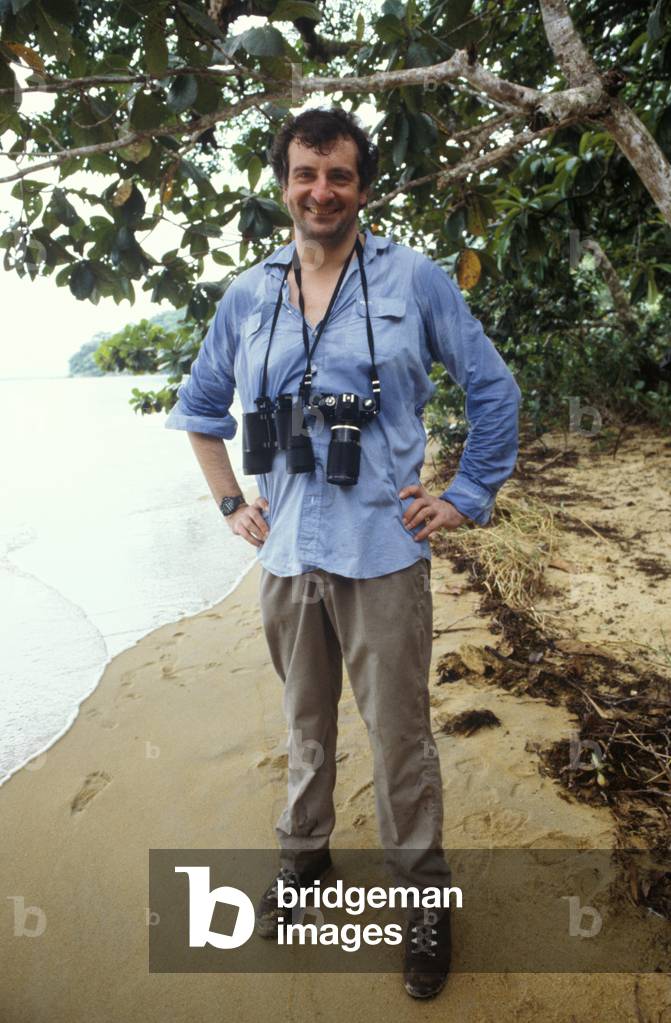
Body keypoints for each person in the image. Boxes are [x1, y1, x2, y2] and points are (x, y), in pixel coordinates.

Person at [165, 106, 522, 999]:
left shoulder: (415, 279)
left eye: (338, 176)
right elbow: (203, 410)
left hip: (384, 549)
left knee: (399, 735)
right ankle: (305, 854)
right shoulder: (249, 293)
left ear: (362, 186)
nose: (320, 191)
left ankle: (423, 901)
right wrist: (227, 502)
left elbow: (493, 389)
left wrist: (465, 496)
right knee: (304, 723)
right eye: (304, 174)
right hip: (286, 552)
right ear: (282, 183)